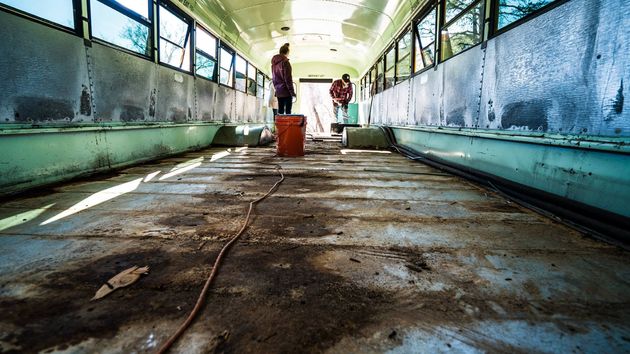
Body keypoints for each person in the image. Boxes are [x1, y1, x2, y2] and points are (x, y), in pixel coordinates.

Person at [271, 43, 296, 114]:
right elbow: (288, 79)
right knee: (288, 113)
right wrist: (292, 92)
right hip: (286, 91)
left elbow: (274, 78)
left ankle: (280, 125)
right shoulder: (285, 62)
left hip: (279, 91)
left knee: (280, 112)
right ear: (287, 52)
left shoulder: (273, 64)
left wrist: (276, 89)